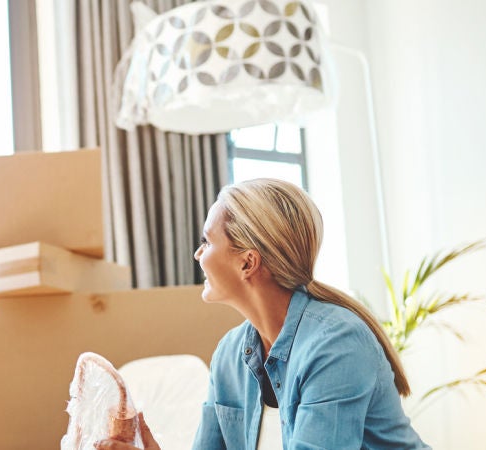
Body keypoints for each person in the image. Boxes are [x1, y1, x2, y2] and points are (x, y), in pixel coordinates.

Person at [97, 178, 427, 450]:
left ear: (248, 262)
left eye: (207, 242)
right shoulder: (229, 354)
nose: (198, 254)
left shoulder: (336, 344)